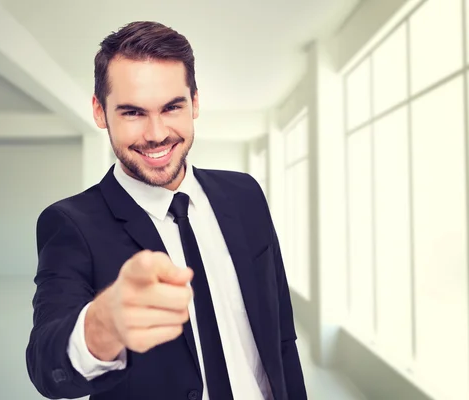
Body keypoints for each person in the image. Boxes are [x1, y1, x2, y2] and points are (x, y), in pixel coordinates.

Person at [26, 20, 306, 400]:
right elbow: (46, 366)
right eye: (132, 113)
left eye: (172, 107)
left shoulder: (245, 195)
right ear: (99, 111)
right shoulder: (70, 224)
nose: (156, 133)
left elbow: (281, 337)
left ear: (194, 102)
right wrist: (101, 326)